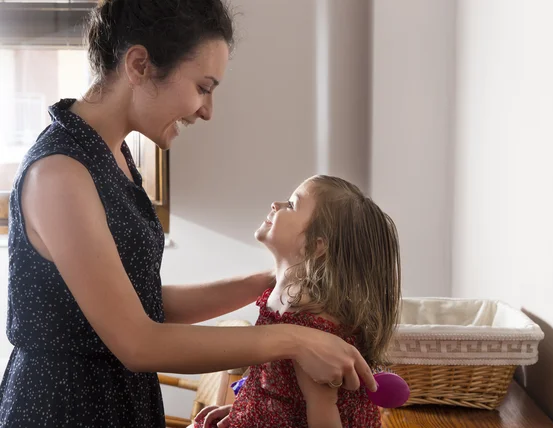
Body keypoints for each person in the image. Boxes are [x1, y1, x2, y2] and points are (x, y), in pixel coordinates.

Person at [0, 1, 376, 426]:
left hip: (119, 401)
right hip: (66, 410)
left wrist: (273, 283)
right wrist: (292, 339)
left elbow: (142, 303)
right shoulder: (60, 173)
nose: (207, 110)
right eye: (203, 86)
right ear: (139, 64)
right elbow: (138, 341)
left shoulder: (113, 156)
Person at [195, 175, 401, 428]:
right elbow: (287, 393)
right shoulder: (285, 298)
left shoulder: (310, 322)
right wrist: (248, 408)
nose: (276, 204)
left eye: (292, 204)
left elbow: (322, 415)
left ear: (317, 245)